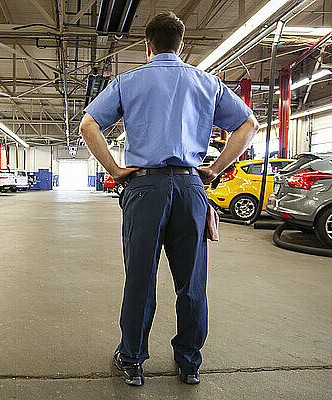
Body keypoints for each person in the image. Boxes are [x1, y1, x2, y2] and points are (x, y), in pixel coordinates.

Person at [80, 11, 259, 387]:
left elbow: (89, 124)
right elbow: (248, 124)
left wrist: (114, 170)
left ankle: (131, 361)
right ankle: (189, 363)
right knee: (192, 281)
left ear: (148, 44)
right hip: (191, 187)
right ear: (182, 44)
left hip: (145, 188)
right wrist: (216, 167)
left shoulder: (128, 81)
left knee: (140, 279)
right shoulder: (207, 82)